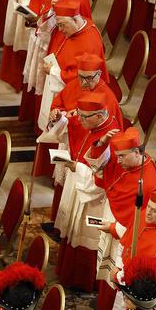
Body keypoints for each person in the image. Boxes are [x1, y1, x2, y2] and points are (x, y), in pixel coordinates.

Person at [52, 93, 123, 291]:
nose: (80, 120)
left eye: (85, 117)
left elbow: (106, 178)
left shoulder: (111, 135)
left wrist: (78, 168)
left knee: (86, 233)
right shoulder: (90, 124)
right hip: (77, 183)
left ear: (100, 116)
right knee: (72, 229)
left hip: (94, 198)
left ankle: (84, 281)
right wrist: (61, 119)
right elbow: (71, 130)